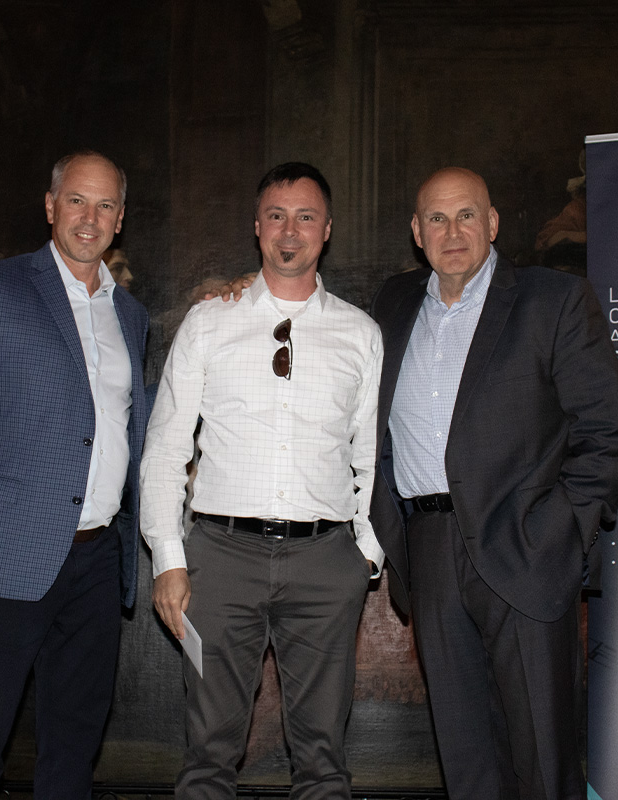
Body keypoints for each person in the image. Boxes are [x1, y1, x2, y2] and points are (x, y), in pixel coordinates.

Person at [369, 167, 618, 800]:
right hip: (428, 549)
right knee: (467, 761)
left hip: (526, 547)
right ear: (416, 232)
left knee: (543, 759)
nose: (452, 232)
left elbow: (609, 431)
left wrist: (560, 530)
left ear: (491, 223)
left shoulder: (553, 299)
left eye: (467, 215)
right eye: (436, 218)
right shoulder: (392, 304)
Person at [140, 162, 384, 799]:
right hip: (219, 564)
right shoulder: (208, 323)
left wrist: (363, 553)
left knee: (323, 760)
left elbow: (370, 457)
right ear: (257, 226)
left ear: (326, 230)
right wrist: (168, 560)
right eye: (277, 216)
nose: (290, 230)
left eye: (305, 217)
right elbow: (165, 449)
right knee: (208, 754)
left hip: (326, 564)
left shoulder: (360, 334)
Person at [0, 151, 149, 800]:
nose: (89, 217)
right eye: (77, 200)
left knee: (73, 750)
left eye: (105, 205)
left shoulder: (130, 315)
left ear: (120, 219)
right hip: (0, 556)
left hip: (97, 562)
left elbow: (123, 425)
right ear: (50, 206)